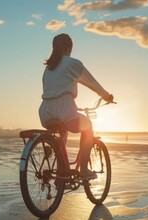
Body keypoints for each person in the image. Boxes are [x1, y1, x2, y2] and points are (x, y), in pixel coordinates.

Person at [39, 33, 113, 179]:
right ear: (69, 48)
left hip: (45, 112)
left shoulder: (48, 69)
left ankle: (61, 175)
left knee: (61, 135)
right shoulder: (72, 63)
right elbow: (92, 83)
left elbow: (53, 91)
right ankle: (84, 170)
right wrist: (106, 96)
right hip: (64, 110)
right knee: (87, 127)